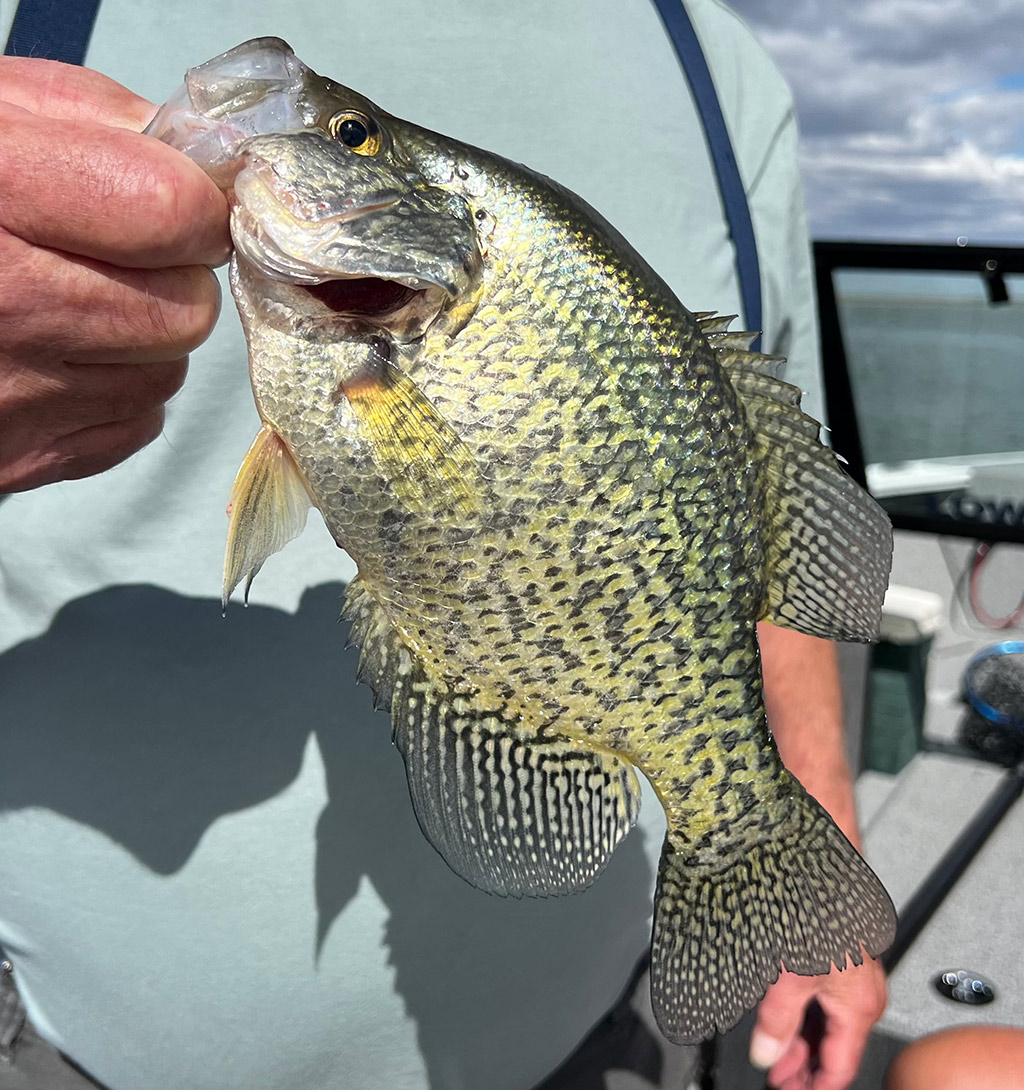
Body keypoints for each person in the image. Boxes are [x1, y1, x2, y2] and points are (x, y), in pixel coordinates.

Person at [0, 2, 886, 1088]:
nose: (319, 133)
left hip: (584, 1037)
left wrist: (812, 815)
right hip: (74, 1044)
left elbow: (733, 513)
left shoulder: (721, 65)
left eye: (350, 137)